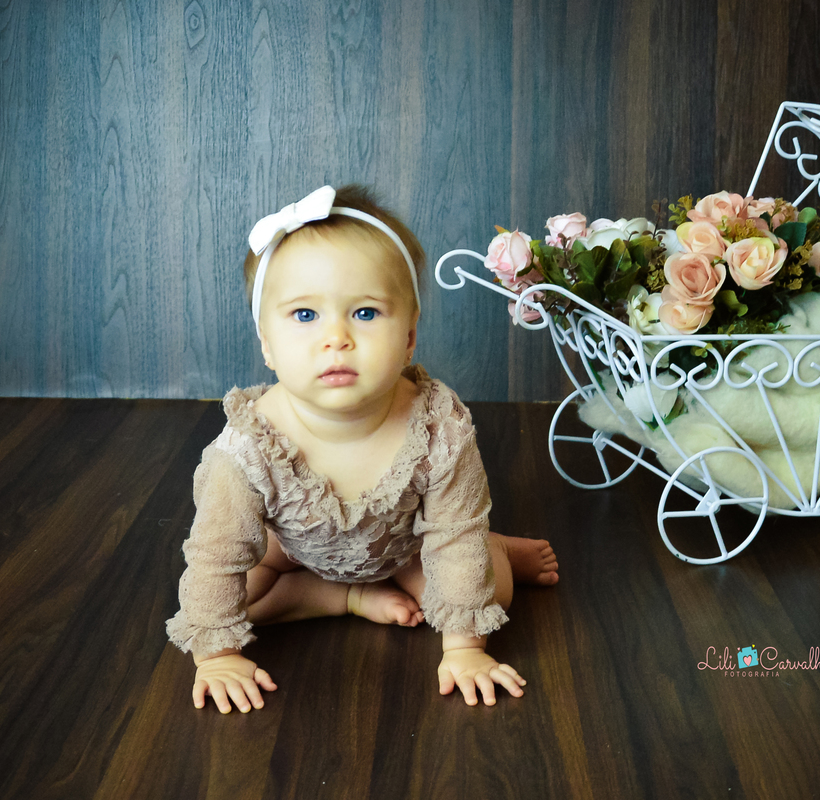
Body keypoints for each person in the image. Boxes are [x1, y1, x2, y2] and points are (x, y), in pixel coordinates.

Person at [166, 185, 558, 713]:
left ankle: (500, 545)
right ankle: (339, 598)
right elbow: (216, 556)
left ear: (410, 337)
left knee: (490, 589)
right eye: (305, 315)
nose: (337, 338)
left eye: (366, 313)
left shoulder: (437, 427)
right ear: (266, 344)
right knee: (237, 597)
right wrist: (216, 657)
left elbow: (452, 533)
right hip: (299, 546)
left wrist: (465, 651)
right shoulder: (247, 447)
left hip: (407, 541)